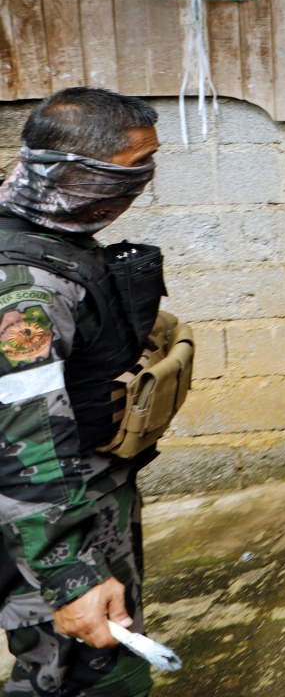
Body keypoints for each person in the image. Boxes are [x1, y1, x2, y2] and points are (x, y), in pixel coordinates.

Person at [0, 88, 166, 696]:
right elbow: (24, 442)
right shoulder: (25, 289)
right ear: (79, 173)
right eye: (134, 167)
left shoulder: (45, 232)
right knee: (82, 674)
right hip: (51, 520)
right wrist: (71, 577)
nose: (145, 180)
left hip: (80, 504)